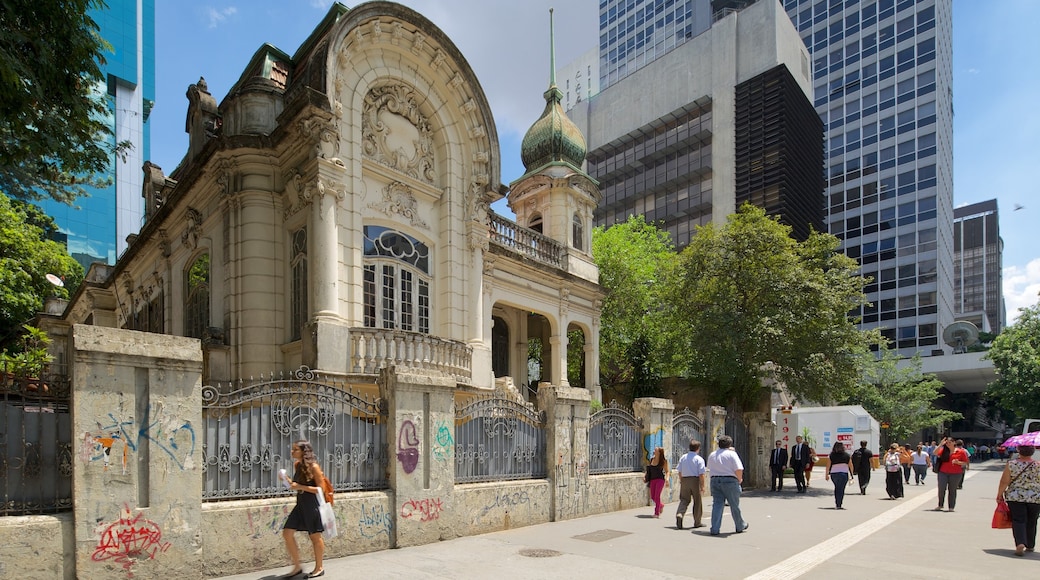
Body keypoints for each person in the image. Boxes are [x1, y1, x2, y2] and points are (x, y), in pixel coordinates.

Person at [281, 440, 326, 579]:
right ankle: (297, 567)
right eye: (293, 449)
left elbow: (321, 489)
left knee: (315, 536)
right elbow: (296, 485)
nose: (292, 451)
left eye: (295, 449)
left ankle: (319, 567)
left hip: (312, 505)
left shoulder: (314, 467)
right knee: (287, 532)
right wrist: (286, 480)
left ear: (303, 452)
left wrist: (300, 487)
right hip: (300, 504)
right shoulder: (298, 465)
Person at [996, 444, 1040, 556]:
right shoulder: (1038, 465)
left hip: (1015, 496)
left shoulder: (1012, 464)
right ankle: (1030, 545)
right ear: (1033, 452)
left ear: (1018, 451)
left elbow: (1004, 481)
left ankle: (1020, 543)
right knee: (1032, 521)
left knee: (1018, 520)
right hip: (1035, 497)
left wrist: (999, 494)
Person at [707, 435, 748, 535]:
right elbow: (738, 469)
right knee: (734, 505)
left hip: (715, 480)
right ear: (730, 444)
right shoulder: (732, 454)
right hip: (730, 480)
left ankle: (715, 528)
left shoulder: (712, 454)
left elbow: (709, 467)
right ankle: (739, 525)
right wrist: (739, 479)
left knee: (717, 504)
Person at [675, 440, 707, 529]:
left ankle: (680, 513)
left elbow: (679, 471)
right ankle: (697, 521)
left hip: (685, 479)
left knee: (684, 499)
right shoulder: (699, 459)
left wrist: (681, 480)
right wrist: (702, 486)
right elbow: (701, 474)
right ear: (698, 448)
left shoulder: (683, 457)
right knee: (697, 501)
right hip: (695, 480)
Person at [933, 436, 969, 512]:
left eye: (950, 442)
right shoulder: (943, 450)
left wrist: (958, 462)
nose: (948, 444)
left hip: (956, 473)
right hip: (943, 472)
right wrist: (940, 444)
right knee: (941, 488)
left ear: (954, 443)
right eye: (947, 443)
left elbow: (965, 462)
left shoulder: (961, 452)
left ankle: (951, 507)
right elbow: (935, 453)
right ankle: (940, 505)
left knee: (952, 490)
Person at [825, 442, 853, 509]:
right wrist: (852, 474)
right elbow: (851, 465)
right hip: (844, 473)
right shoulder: (847, 455)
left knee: (837, 487)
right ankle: (839, 504)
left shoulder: (831, 455)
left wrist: (826, 474)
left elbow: (828, 466)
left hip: (834, 473)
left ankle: (837, 503)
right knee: (841, 489)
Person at [645, 446, 669, 518]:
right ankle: (661, 505)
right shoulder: (652, 459)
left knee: (657, 496)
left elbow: (667, 471)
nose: (653, 451)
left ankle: (656, 513)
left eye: (655, 450)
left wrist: (667, 479)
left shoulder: (663, 461)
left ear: (659, 452)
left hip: (660, 480)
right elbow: (649, 470)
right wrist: (645, 476)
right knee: (653, 497)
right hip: (652, 480)